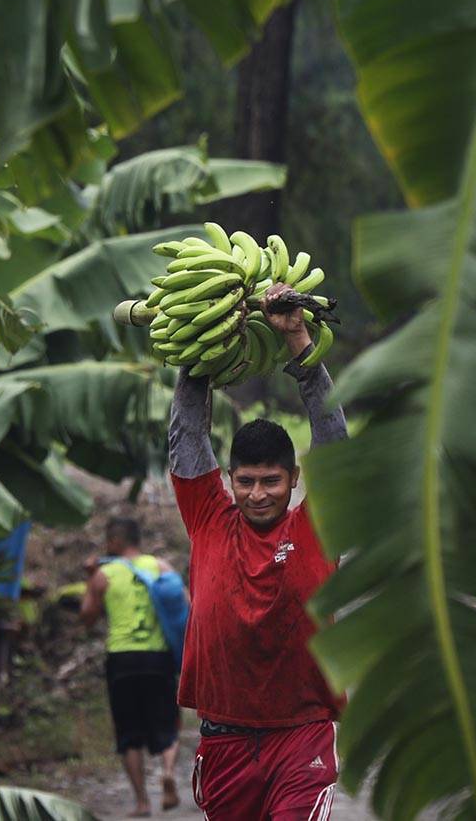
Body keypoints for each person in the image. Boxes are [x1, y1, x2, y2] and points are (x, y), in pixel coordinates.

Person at [170, 283, 348, 819]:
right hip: (224, 738)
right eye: (245, 482)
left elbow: (333, 438)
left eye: (271, 481)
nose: (257, 494)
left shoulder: (318, 526)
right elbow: (187, 436)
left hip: (301, 736)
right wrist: (202, 340)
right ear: (229, 479)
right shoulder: (208, 520)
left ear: (293, 479)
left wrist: (298, 341)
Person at [80, 516, 182, 817]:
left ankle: (141, 802)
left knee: (129, 733)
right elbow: (184, 605)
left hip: (122, 658)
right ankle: (168, 772)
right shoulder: (161, 567)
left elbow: (87, 618)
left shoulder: (103, 574)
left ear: (113, 542)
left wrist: (90, 579)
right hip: (157, 657)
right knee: (167, 723)